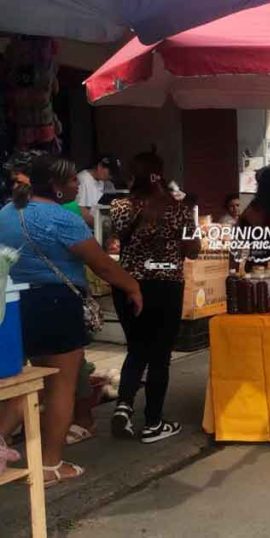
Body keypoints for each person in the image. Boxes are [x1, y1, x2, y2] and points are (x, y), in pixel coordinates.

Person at [0, 154, 142, 485]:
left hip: (16, 305)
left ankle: (6, 439)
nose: (78, 184)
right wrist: (133, 286)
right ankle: (50, 464)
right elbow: (102, 265)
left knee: (27, 382)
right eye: (72, 181)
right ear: (56, 187)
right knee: (59, 386)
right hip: (56, 304)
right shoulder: (62, 219)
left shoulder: (6, 213)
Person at [109, 149, 200, 444]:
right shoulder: (179, 209)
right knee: (160, 355)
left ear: (132, 177)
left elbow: (117, 240)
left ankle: (123, 406)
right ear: (161, 175)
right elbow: (192, 250)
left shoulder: (120, 207)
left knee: (137, 348)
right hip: (165, 286)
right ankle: (153, 422)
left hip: (128, 285)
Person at [75, 154, 121, 227]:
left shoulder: (105, 182)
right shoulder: (83, 179)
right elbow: (81, 211)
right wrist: (101, 226)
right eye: (110, 172)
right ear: (100, 167)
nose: (111, 176)